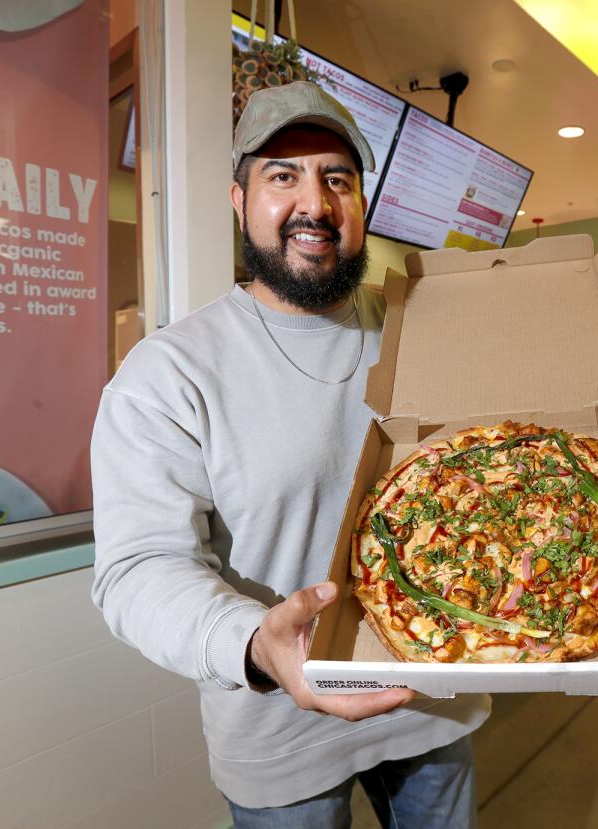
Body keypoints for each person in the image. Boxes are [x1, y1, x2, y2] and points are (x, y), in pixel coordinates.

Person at [90, 82, 488, 828]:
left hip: (436, 698)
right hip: (280, 734)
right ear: (239, 201)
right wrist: (255, 643)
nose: (315, 203)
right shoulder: (169, 373)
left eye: (338, 177)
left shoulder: (424, 329)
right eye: (283, 175)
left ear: (364, 205)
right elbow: (136, 567)